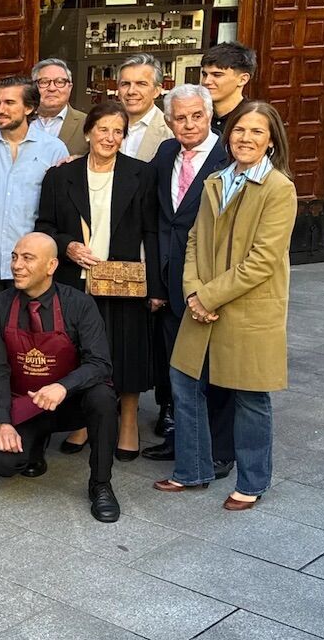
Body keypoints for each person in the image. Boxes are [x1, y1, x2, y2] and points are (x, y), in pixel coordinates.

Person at [157, 101, 297, 511]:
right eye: (239, 130)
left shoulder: (279, 189)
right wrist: (192, 292)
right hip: (202, 303)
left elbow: (262, 260)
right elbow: (196, 241)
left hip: (248, 309)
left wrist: (207, 296)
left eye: (257, 132)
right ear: (228, 135)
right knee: (184, 383)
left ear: (271, 141)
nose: (246, 138)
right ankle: (193, 470)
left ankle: (253, 481)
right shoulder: (217, 180)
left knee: (250, 396)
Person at [37, 99, 162, 461]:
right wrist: (68, 246)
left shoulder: (141, 174)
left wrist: (155, 288)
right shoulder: (60, 176)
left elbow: (152, 232)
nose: (110, 137)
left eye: (118, 132)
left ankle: (127, 422)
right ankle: (83, 418)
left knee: (126, 351)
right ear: (88, 132)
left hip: (124, 282)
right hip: (76, 282)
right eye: (103, 129)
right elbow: (44, 225)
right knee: (80, 352)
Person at [0, 233, 121, 522]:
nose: (16, 266)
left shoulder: (79, 305)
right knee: (4, 464)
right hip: (23, 402)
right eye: (14, 257)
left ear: (51, 266)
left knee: (103, 396)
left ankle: (101, 484)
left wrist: (62, 386)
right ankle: (35, 446)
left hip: (68, 403)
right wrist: (4, 422)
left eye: (27, 258)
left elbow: (100, 364)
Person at [142, 85, 234, 476]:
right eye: (179, 117)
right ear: (168, 122)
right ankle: (182, 441)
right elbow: (160, 218)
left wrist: (213, 291)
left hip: (210, 285)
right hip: (169, 282)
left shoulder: (229, 157)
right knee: (177, 371)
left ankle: (221, 450)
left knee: (215, 372)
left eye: (196, 115)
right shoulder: (165, 153)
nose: (188, 124)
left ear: (210, 115)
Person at [0, 77, 68, 304]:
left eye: (9, 103)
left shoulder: (53, 149)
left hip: (33, 266)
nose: (0, 109)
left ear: (29, 107)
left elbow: (60, 209)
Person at [118, 54, 171, 162]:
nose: (131, 91)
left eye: (141, 84)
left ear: (157, 90)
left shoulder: (170, 132)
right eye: (125, 84)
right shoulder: (102, 125)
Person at [31, 58, 88, 157]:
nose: (52, 88)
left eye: (60, 82)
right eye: (44, 82)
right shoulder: (20, 120)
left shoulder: (87, 123)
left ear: (70, 88)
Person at [200, 42, 257, 136]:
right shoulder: (198, 115)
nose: (207, 81)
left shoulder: (255, 119)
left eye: (217, 75)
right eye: (205, 75)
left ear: (243, 79)